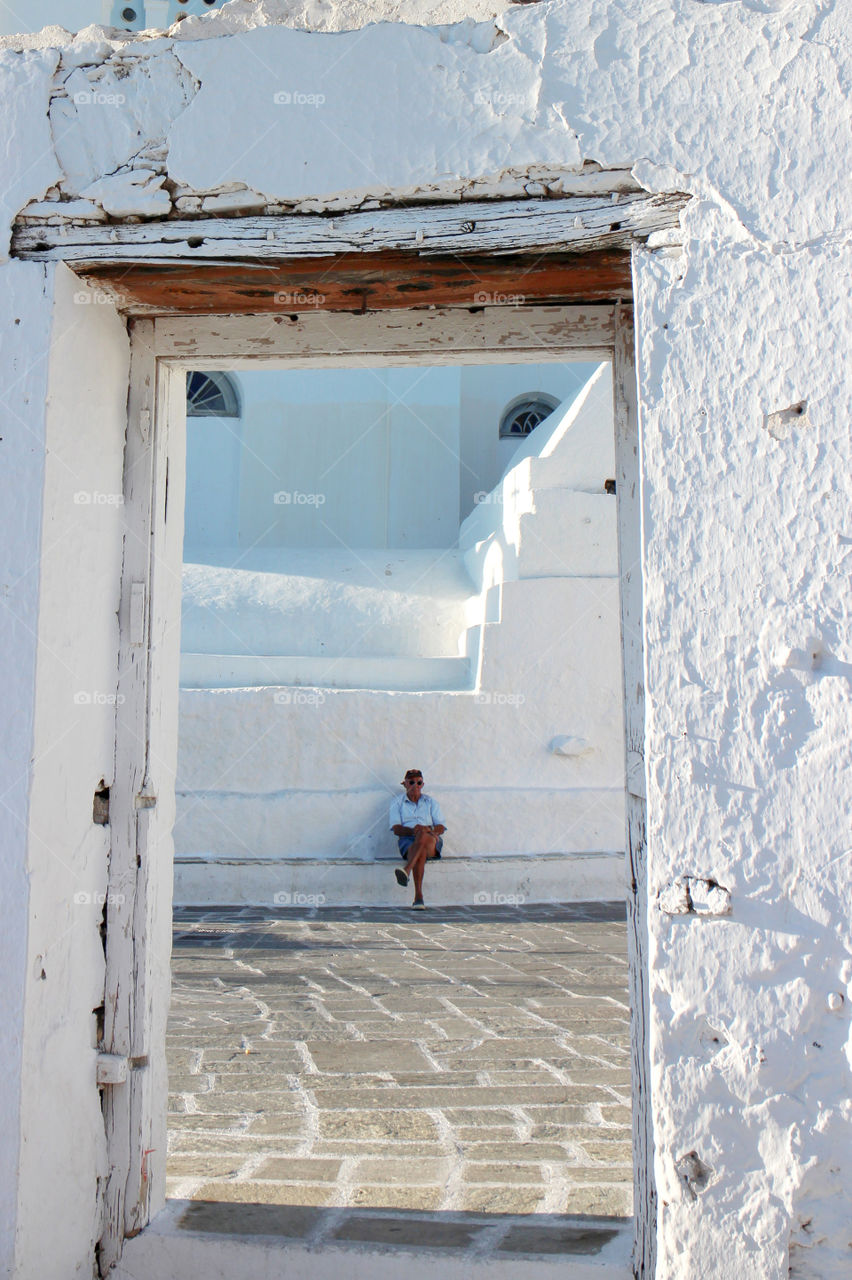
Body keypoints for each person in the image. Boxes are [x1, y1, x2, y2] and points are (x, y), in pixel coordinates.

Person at [389, 769, 446, 909]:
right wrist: (413, 831)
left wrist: (428, 830)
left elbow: (441, 826)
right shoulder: (397, 802)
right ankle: (418, 897)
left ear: (422, 785)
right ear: (405, 784)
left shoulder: (430, 802)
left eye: (419, 783)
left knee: (423, 835)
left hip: (430, 839)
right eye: (411, 782)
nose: (415, 785)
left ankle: (408, 869)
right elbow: (396, 829)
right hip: (408, 840)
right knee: (420, 851)